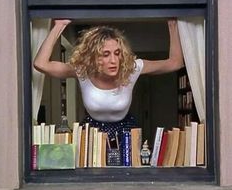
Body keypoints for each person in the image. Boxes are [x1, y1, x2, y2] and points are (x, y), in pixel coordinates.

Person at [34, 19, 184, 141]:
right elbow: (41, 64)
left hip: (126, 131)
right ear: (93, 57)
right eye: (105, 54)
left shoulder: (132, 68)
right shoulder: (82, 70)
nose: (114, 60)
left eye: (117, 53)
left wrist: (173, 24)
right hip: (92, 133)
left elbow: (175, 62)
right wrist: (58, 26)